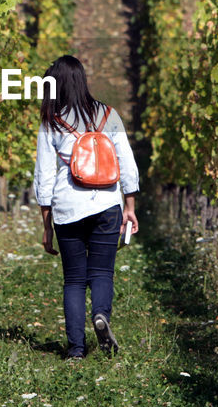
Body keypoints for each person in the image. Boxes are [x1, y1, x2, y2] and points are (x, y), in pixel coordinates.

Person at [33, 55, 140, 359]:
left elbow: (44, 176)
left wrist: (46, 223)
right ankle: (101, 315)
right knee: (103, 272)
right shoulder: (108, 114)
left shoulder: (52, 121)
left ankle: (76, 350)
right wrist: (129, 206)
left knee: (74, 280)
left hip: (69, 207)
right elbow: (127, 164)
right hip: (107, 203)